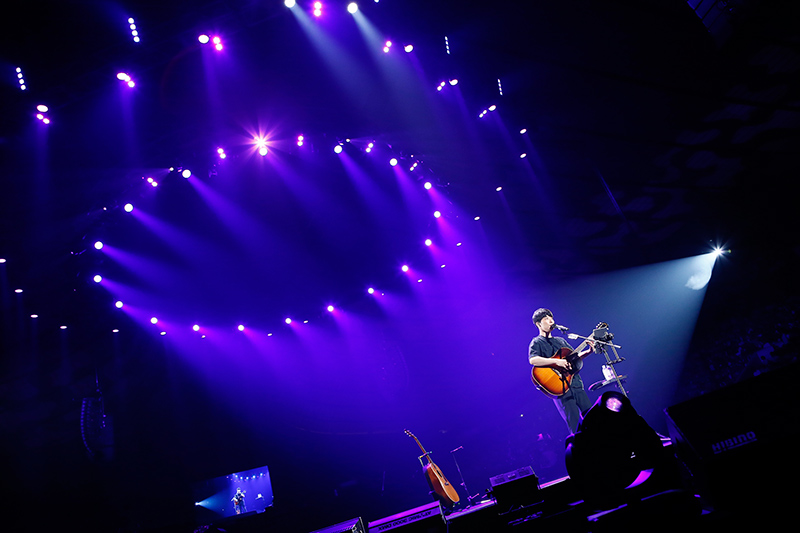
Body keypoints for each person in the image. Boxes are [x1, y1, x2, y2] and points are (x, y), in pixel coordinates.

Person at [528, 308, 593, 434]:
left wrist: (588, 351)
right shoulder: (537, 342)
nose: (551, 321)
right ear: (538, 324)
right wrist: (557, 362)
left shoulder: (561, 341)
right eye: (546, 319)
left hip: (575, 384)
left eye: (551, 318)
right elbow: (533, 360)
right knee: (575, 426)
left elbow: (574, 357)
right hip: (560, 388)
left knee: (592, 418)